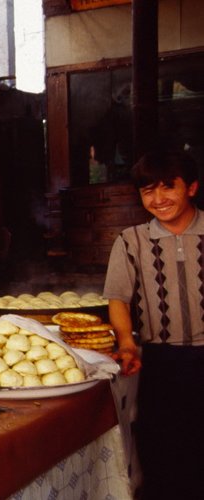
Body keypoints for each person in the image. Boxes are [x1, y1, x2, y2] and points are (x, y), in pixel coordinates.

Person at [103, 149, 204, 499]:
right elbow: (118, 299)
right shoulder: (130, 241)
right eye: (148, 190)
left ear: (191, 187)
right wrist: (126, 343)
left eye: (168, 187)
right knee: (162, 453)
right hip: (160, 361)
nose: (158, 199)